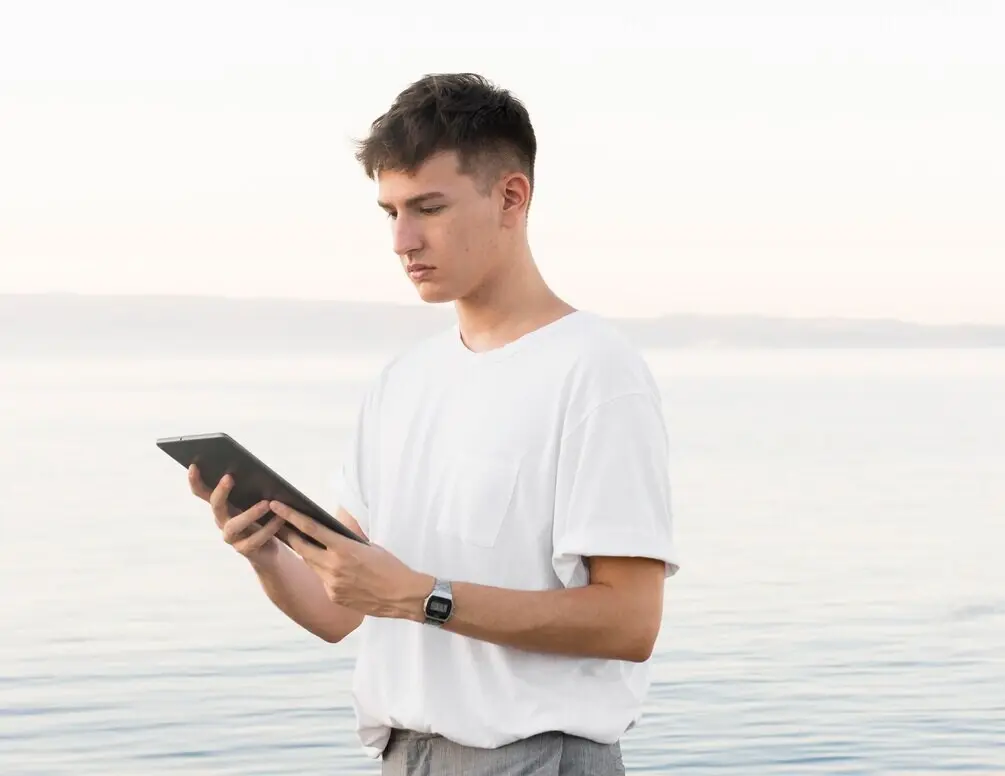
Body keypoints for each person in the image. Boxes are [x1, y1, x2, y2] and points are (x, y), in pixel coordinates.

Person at [186, 73, 678, 775]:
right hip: (404, 758)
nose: (401, 239)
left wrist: (422, 597)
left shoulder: (596, 371)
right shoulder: (401, 382)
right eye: (389, 211)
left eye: (429, 207)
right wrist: (265, 554)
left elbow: (630, 623)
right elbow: (341, 612)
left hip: (534, 759)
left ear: (512, 197)